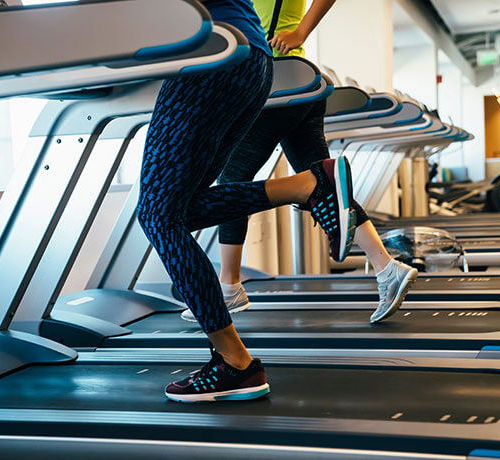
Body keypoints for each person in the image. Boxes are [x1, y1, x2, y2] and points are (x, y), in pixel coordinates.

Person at [138, 0, 372, 403]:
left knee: (158, 216)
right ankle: (305, 187)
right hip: (249, 60)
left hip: (209, 57)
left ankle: (235, 363)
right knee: (174, 211)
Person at [180, 0, 418, 327]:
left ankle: (229, 286)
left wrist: (301, 31)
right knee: (325, 185)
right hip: (299, 82)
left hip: (274, 79)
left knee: (231, 180)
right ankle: (387, 268)